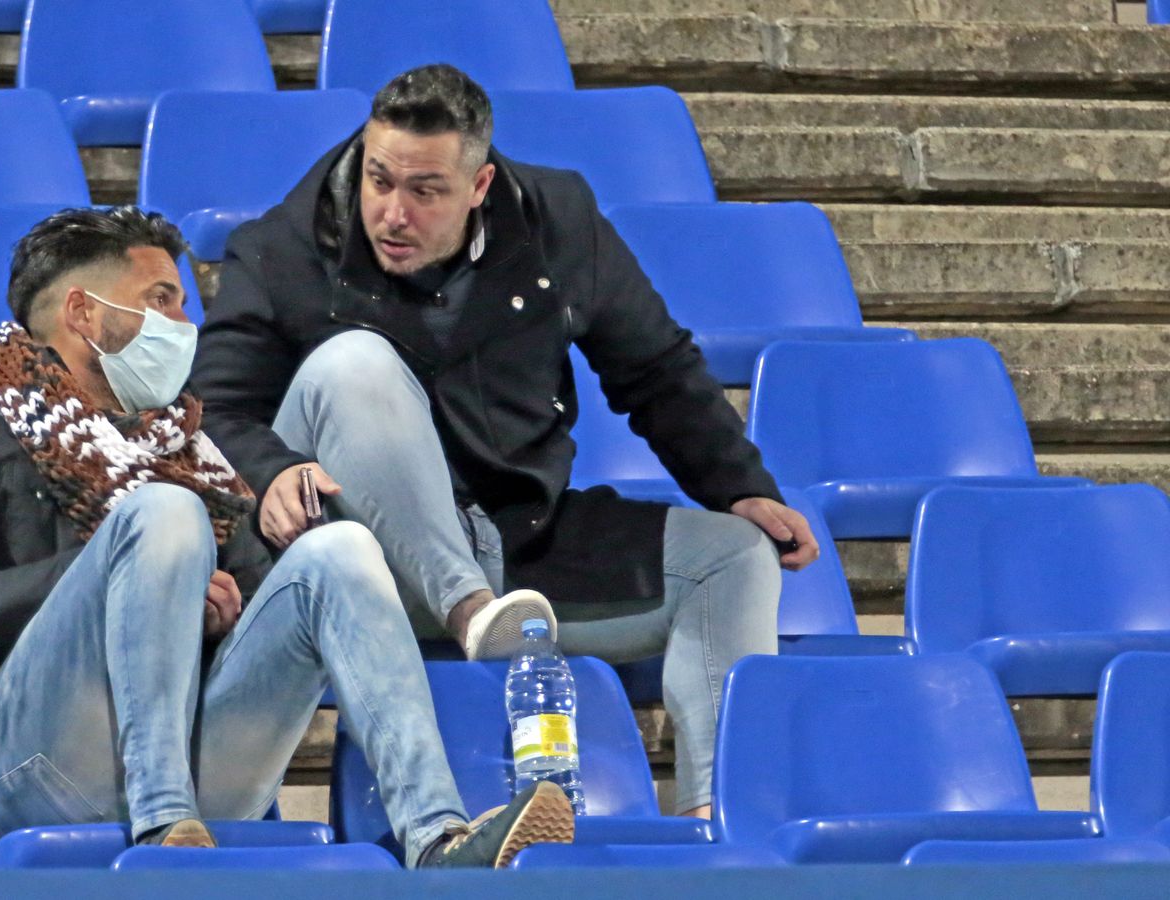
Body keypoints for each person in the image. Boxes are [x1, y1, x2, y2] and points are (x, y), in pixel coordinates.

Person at [191, 64, 821, 819]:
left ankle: (723, 829)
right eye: (379, 179)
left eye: (424, 192)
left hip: (519, 543)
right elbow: (211, 412)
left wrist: (740, 485)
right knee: (353, 364)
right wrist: (273, 470)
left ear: (480, 186)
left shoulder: (561, 220)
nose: (393, 213)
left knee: (735, 557)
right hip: (359, 563)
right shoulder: (284, 246)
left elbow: (655, 367)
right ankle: (468, 611)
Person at [0, 206, 574, 867]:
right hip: (22, 770)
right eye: (162, 300)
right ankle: (162, 828)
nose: (183, 325)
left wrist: (202, 610)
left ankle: (437, 836)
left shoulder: (187, 448)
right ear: (83, 314)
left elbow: (272, 608)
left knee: (335, 551)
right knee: (161, 512)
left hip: (196, 755)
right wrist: (114, 569)